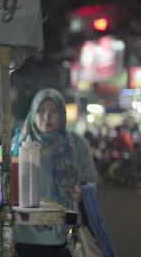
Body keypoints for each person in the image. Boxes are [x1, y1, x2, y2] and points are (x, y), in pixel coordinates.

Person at [14, 88, 97, 257]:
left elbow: (90, 180)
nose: (47, 116)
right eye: (41, 110)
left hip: (64, 235)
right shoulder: (19, 145)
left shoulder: (76, 145)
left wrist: (82, 193)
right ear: (33, 113)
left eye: (53, 111)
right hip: (25, 234)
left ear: (62, 114)